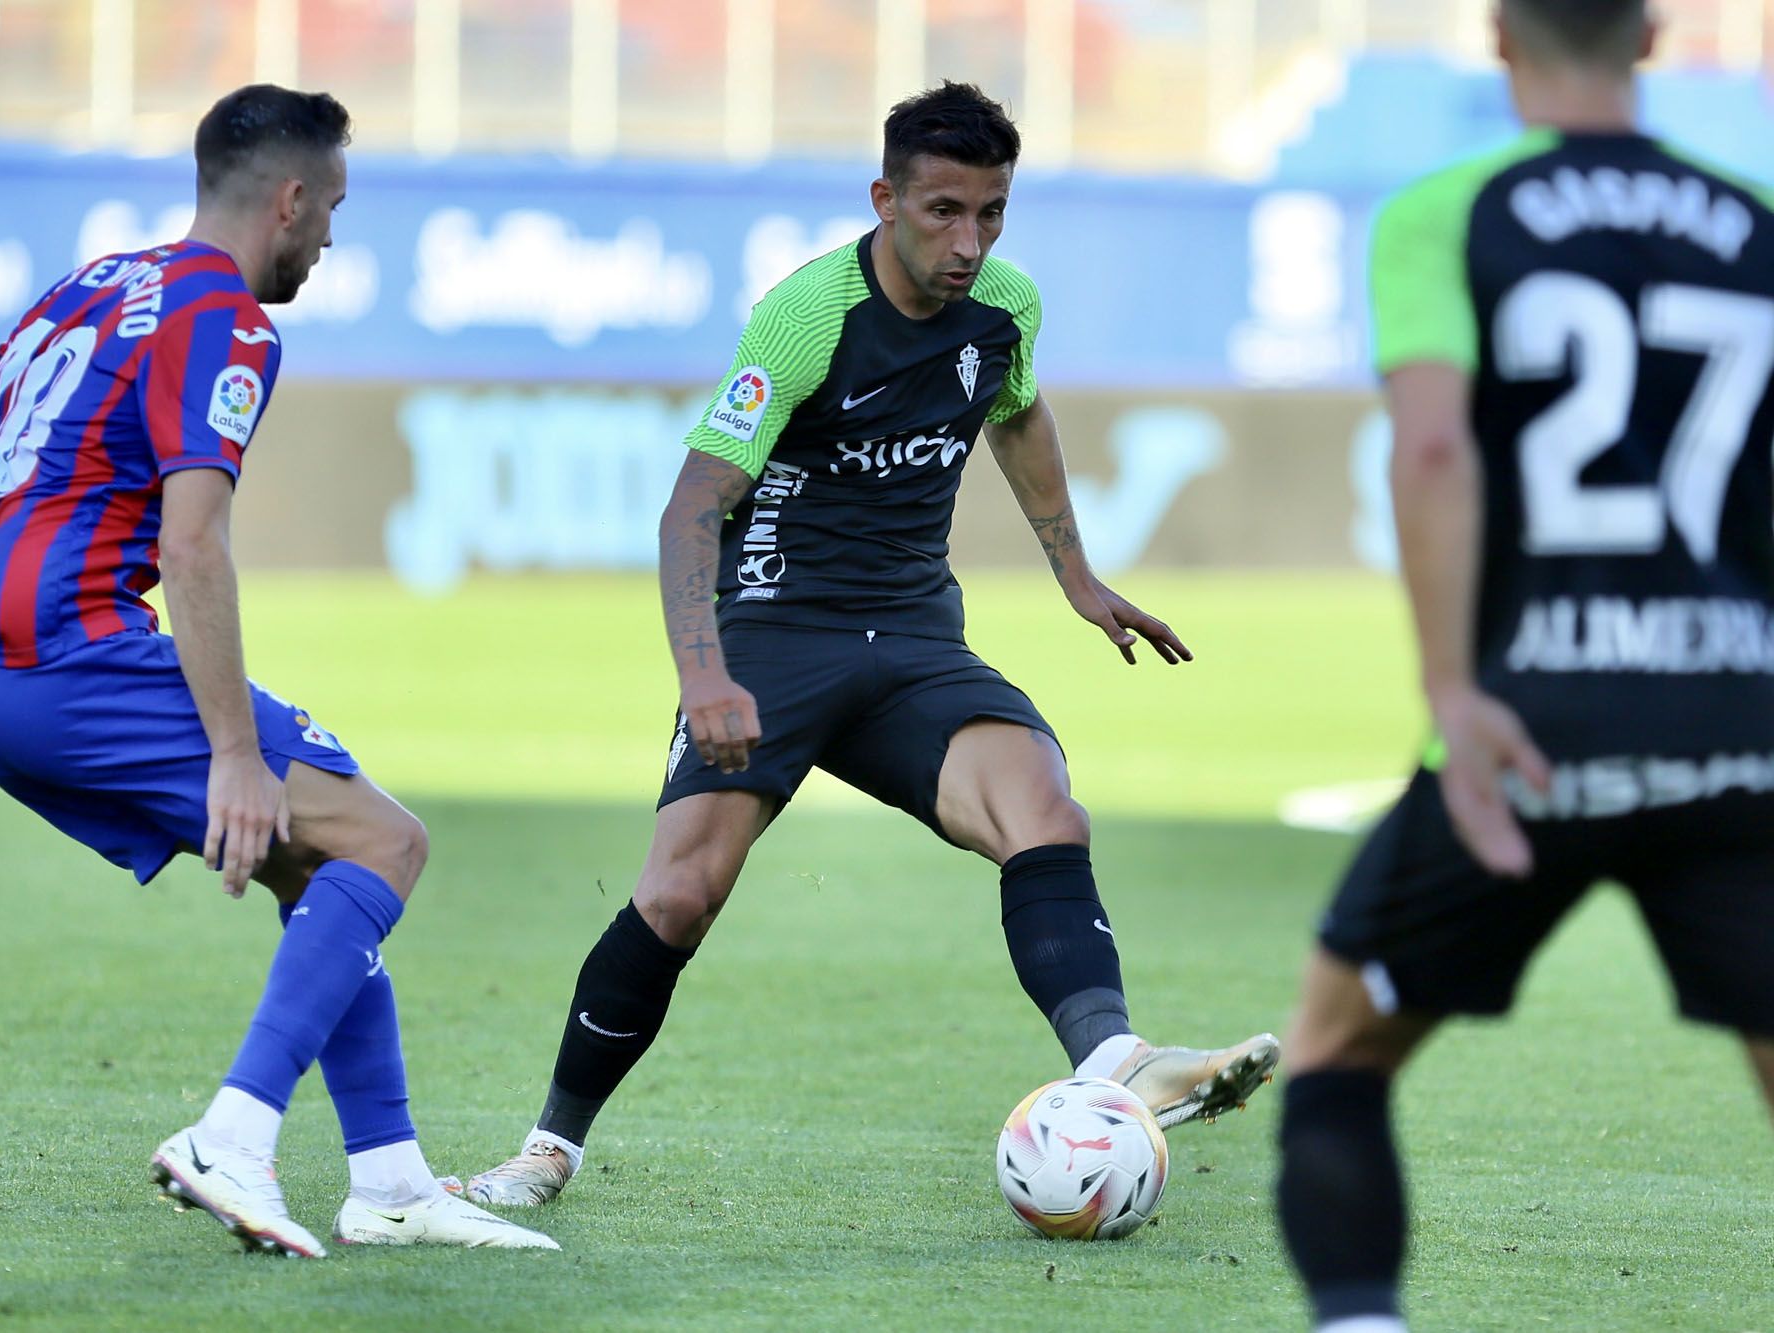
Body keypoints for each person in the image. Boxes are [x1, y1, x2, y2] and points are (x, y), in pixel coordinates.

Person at [458, 82, 1279, 1210]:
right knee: (680, 892)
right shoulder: (806, 317)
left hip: (909, 636)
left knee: (1044, 808)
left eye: (990, 213)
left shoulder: (1004, 309)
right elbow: (690, 507)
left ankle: (1112, 1059)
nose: (968, 243)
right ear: (884, 198)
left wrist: (1076, 577)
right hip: (772, 633)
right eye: (942, 211)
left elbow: (1018, 411)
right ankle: (547, 1146)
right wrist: (703, 673)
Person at [0, 84, 555, 1259]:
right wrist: (236, 754)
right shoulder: (226, 319)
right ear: (288, 200)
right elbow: (192, 541)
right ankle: (232, 1135)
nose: (330, 237)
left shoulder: (91, 288)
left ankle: (389, 1180)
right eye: (330, 208)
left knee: (317, 868)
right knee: (385, 841)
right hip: (72, 652)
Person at [1273, 3, 1774, 1328]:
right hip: (1738, 721)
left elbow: (1436, 452)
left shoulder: (1447, 214)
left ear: (1500, 37)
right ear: (1653, 35)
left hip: (1527, 727)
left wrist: (1451, 689)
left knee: (1335, 1051)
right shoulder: (1758, 214)